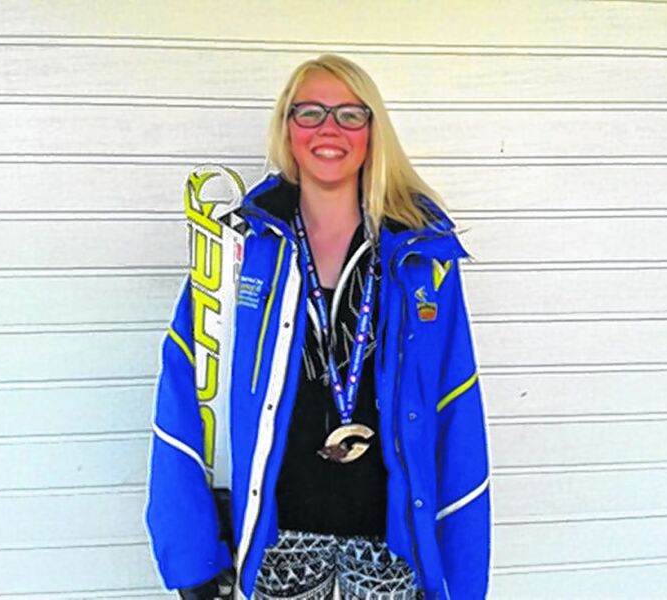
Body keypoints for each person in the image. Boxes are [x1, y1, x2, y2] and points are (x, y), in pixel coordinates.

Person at [147, 54, 491, 599]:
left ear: (373, 131)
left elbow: (457, 409)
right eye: (309, 113)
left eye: (350, 114)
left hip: (390, 556)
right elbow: (186, 390)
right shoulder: (242, 250)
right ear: (287, 127)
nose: (329, 128)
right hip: (275, 549)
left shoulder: (420, 258)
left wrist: (463, 578)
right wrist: (190, 556)